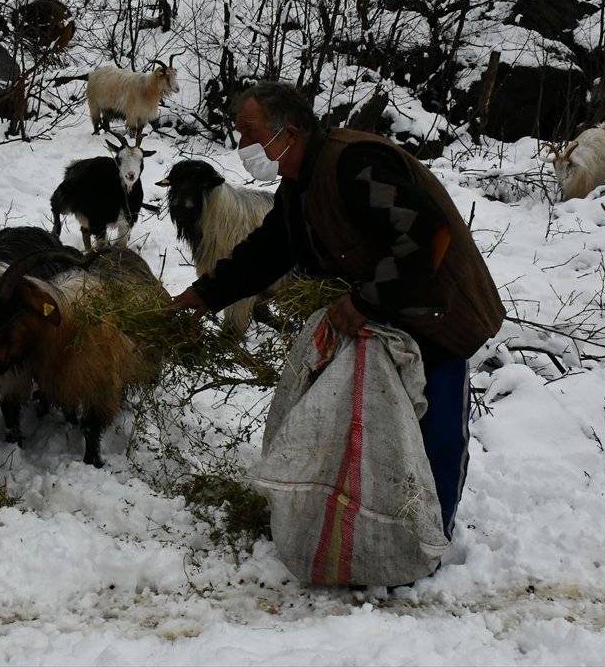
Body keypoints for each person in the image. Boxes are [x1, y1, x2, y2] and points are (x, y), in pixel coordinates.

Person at [171, 81, 505, 540]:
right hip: (388, 314)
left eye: (249, 133)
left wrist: (364, 301)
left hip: (437, 311)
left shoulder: (354, 163)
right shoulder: (299, 184)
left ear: (287, 131)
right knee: (382, 431)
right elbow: (268, 250)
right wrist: (205, 295)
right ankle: (381, 531)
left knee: (437, 433)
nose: (242, 146)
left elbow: (427, 235)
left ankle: (432, 538)